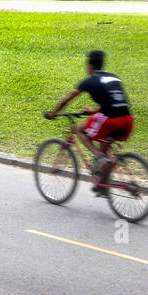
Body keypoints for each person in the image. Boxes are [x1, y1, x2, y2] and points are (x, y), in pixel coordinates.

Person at [45, 49, 135, 192]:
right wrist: (92, 112)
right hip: (128, 120)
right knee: (105, 147)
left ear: (90, 65)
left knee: (80, 131)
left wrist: (53, 113)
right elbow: (113, 103)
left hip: (111, 121)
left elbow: (67, 100)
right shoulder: (113, 78)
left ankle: (100, 157)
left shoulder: (90, 80)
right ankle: (103, 186)